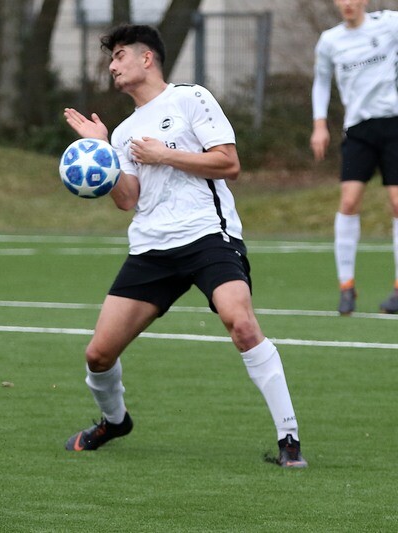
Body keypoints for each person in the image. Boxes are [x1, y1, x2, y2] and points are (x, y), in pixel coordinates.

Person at [61, 24, 307, 468]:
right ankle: (114, 421)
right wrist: (103, 152)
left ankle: (289, 438)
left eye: (119, 55)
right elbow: (128, 200)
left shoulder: (191, 98)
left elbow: (228, 163)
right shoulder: (123, 132)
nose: (112, 66)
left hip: (208, 235)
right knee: (98, 354)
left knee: (241, 324)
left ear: (147, 58)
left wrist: (164, 154)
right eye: (111, 59)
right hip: (152, 247)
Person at [310, 0, 398, 315]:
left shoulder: (388, 24)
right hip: (358, 131)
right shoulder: (330, 40)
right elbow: (321, 82)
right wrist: (319, 124)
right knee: (348, 202)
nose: (347, 3)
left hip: (394, 125)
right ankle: (346, 286)